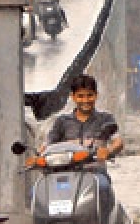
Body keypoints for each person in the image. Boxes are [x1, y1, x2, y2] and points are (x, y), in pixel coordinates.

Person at [46, 74, 123, 212]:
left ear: (96, 95)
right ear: (73, 97)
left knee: (104, 188)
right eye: (80, 96)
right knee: (36, 192)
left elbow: (118, 142)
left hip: (95, 174)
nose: (85, 100)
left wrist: (108, 151)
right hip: (65, 175)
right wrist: (39, 156)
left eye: (89, 95)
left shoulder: (105, 119)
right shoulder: (62, 122)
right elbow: (48, 145)